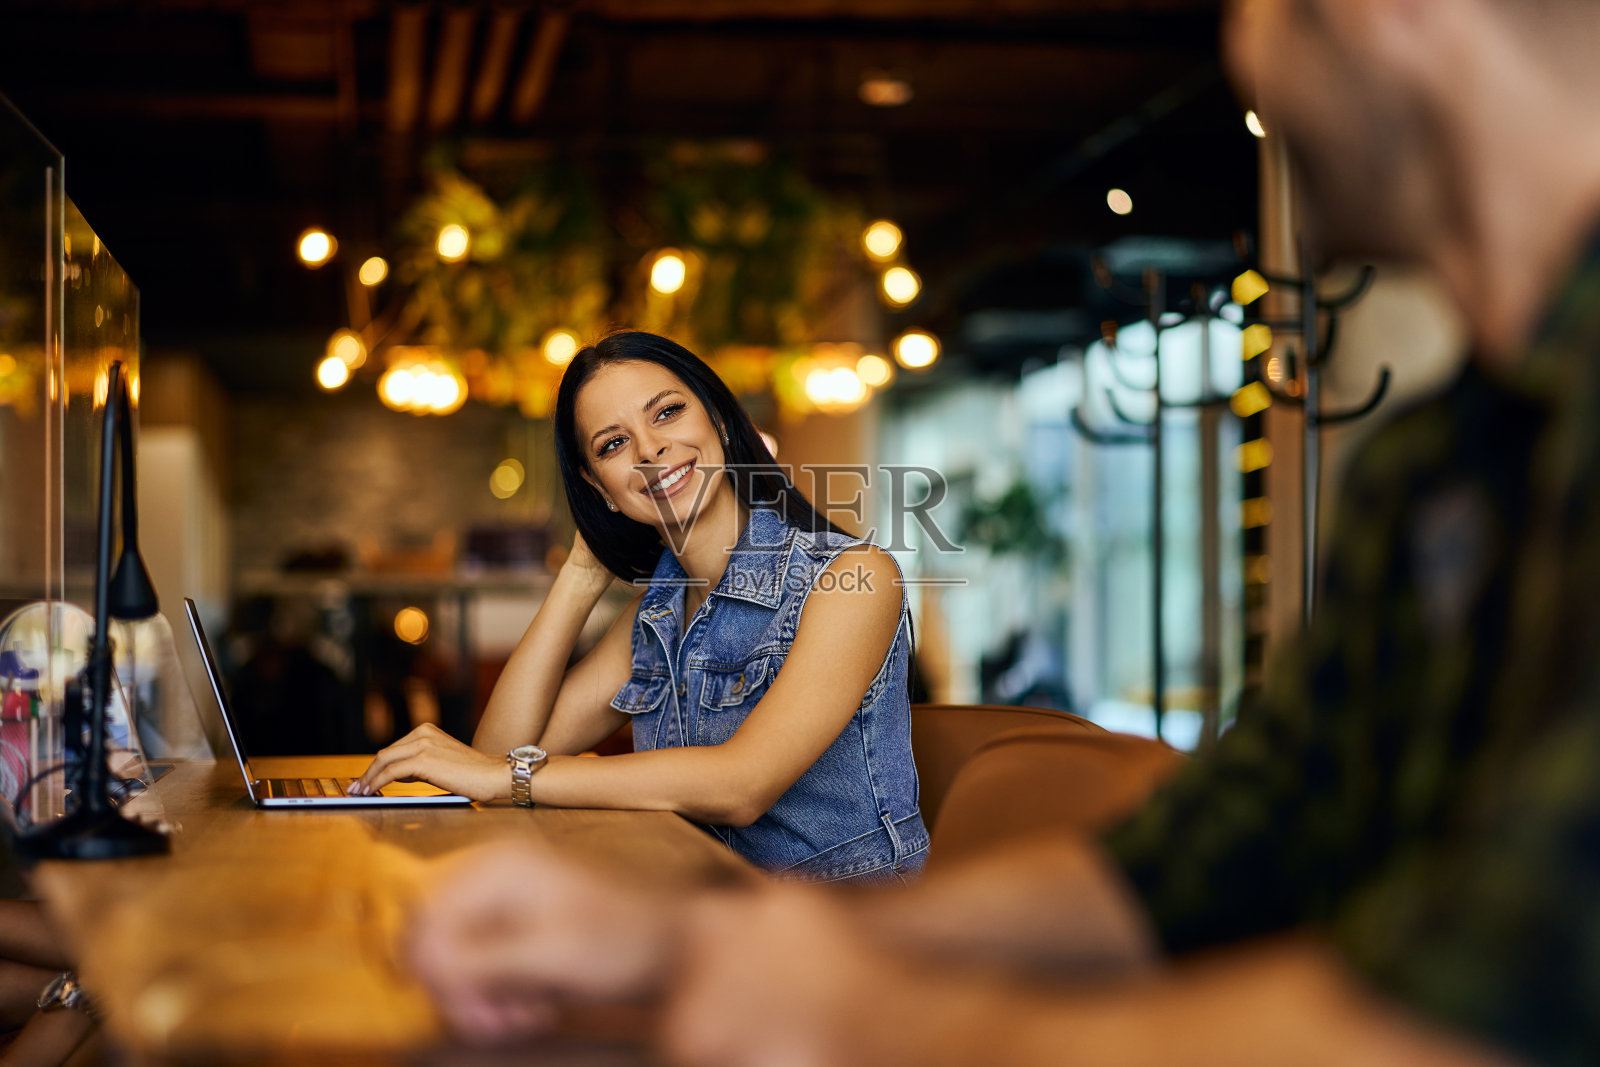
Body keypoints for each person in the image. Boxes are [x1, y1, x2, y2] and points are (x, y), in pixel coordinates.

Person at [399, 0, 1600, 1063]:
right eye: (612, 446)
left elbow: (1497, 1002)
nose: (1238, 57)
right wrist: (681, 938)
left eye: (1254, 6)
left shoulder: (846, 573)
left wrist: (876, 1012)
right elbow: (1207, 854)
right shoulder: (1441, 466)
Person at [353, 330, 927, 884]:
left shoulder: (854, 578)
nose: (650, 448)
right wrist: (581, 574)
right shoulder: (659, 615)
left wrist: (512, 777)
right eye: (613, 444)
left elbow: (742, 785)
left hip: (849, 935)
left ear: (720, 421)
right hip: (712, 922)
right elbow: (498, 753)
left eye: (667, 412)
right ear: (599, 485)